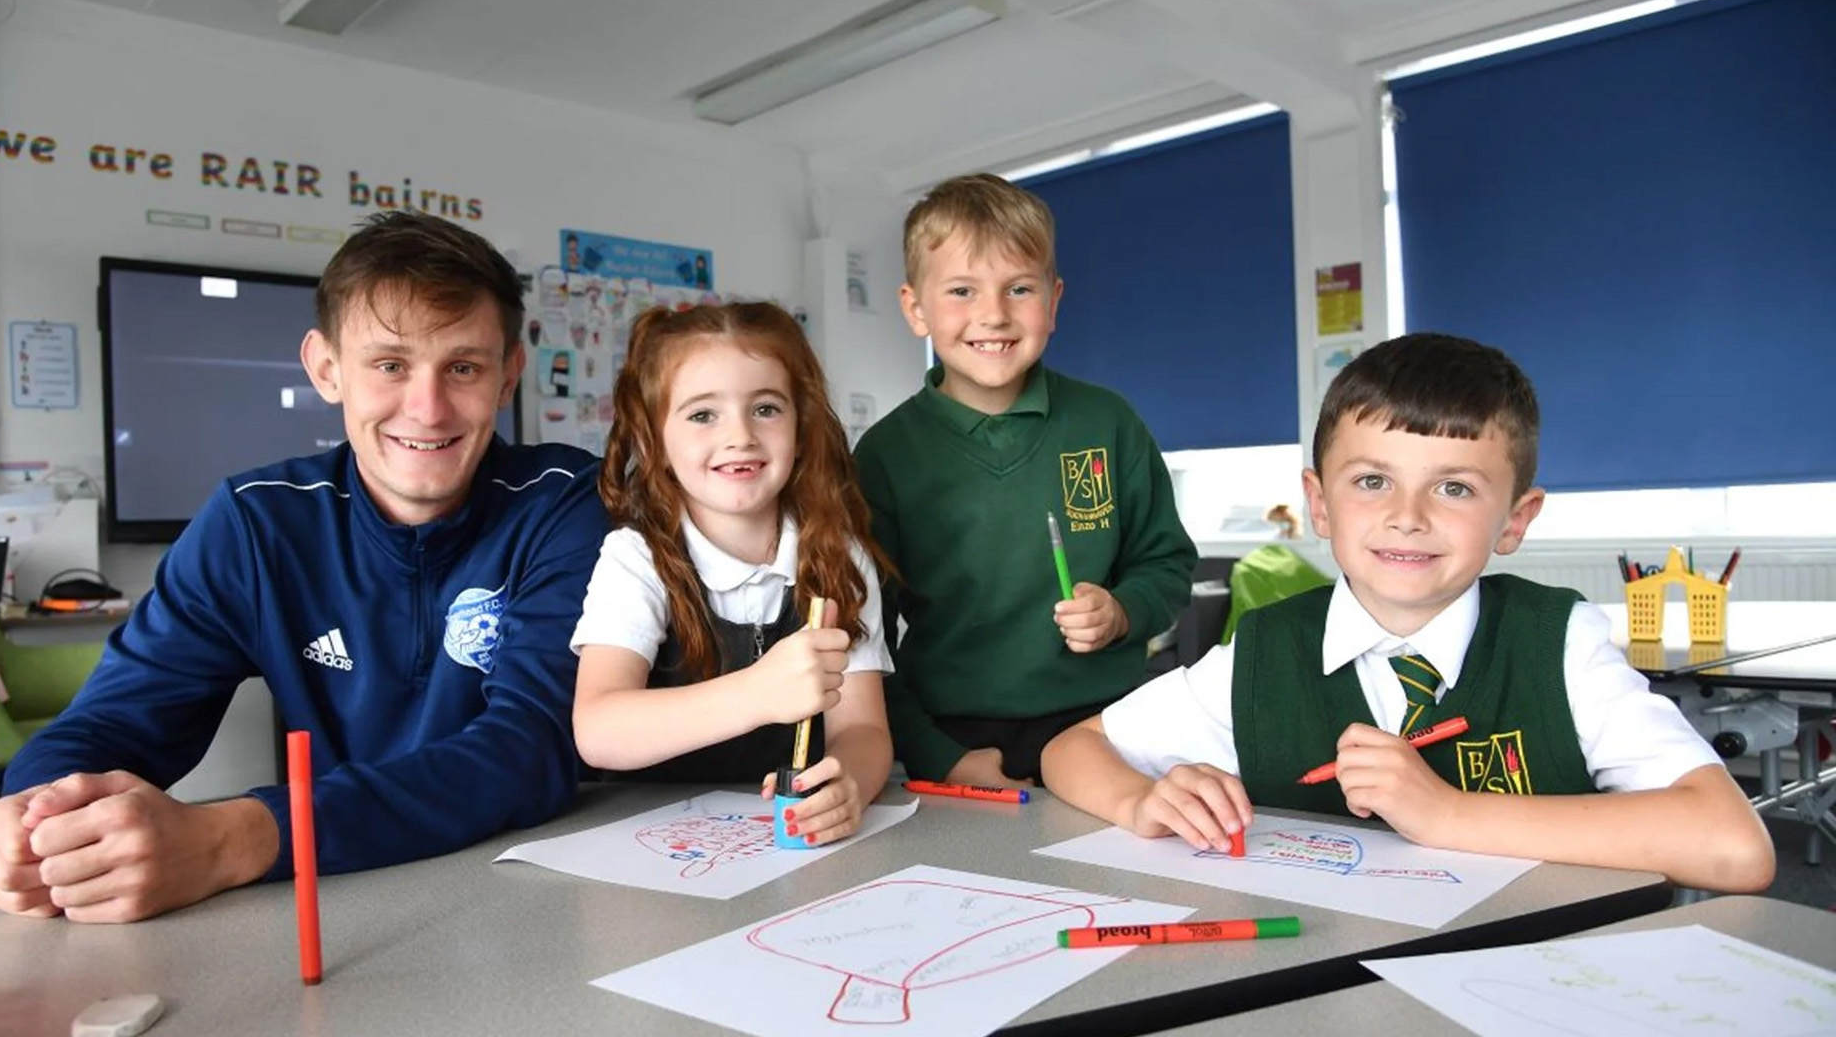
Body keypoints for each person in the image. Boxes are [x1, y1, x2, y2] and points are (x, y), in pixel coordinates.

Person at [0, 211, 610, 923]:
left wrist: (232, 840)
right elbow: (111, 724)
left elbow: (527, 749)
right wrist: (43, 814)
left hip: (543, 889)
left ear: (507, 375)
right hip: (349, 893)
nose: (428, 409)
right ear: (326, 368)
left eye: (463, 367)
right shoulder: (255, 522)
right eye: (390, 365)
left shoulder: (568, 505)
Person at [1042, 333, 1775, 893]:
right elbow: (1068, 751)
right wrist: (1142, 802)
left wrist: (1447, 812)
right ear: (1320, 504)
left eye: (1454, 489)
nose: (1407, 517)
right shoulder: (1264, 653)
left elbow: (1735, 847)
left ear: (1515, 520)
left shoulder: (1560, 645)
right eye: (1371, 481)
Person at [855, 173, 1198, 789]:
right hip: (950, 734)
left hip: (1104, 726)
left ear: (1054, 300)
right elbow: (864, 639)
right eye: (962, 290)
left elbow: (1167, 563)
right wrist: (940, 755)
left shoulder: (1107, 422)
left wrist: (1122, 612)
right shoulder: (883, 455)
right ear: (915, 308)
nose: (993, 314)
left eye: (1019, 288)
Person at [571, 302, 892, 846]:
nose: (740, 435)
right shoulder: (636, 557)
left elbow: (863, 729)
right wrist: (758, 693)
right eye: (702, 415)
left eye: (766, 409)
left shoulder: (840, 555)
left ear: (801, 423)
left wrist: (850, 785)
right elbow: (599, 729)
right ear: (655, 439)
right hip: (649, 850)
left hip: (787, 850)